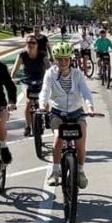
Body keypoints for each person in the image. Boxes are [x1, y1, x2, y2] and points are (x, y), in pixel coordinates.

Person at [39, 41, 96, 188]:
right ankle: (55, 171)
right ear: (55, 59)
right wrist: (42, 105)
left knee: (81, 140)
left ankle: (81, 171)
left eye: (66, 59)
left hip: (76, 112)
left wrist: (89, 107)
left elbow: (85, 92)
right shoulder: (50, 74)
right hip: (57, 113)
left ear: (70, 59)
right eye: (59, 59)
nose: (63, 62)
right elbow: (45, 91)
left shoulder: (77, 74)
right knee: (58, 137)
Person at [11, 34, 51, 136]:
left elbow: (49, 68)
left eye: (33, 43)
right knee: (29, 102)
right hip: (27, 81)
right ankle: (28, 126)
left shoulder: (42, 55)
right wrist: (11, 78)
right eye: (28, 43)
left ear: (37, 45)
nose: (31, 45)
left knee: (44, 100)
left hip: (41, 80)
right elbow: (14, 70)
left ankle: (47, 117)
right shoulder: (22, 55)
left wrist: (50, 77)